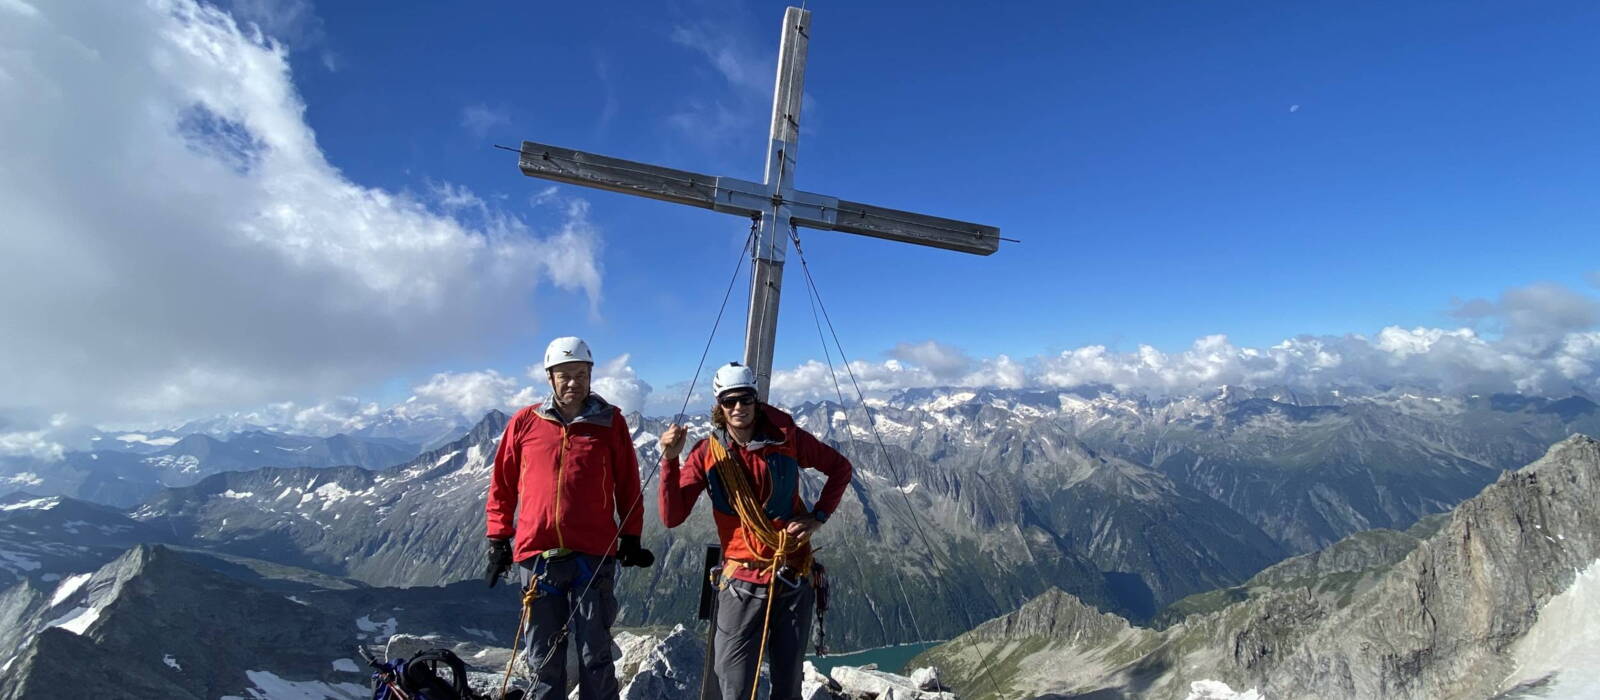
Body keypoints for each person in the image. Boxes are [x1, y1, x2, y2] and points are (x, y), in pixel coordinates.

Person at [657, 362, 853, 700]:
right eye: (729, 401)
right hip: (741, 581)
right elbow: (672, 516)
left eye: (744, 400)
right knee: (733, 683)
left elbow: (840, 468)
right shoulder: (707, 454)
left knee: (788, 682)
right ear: (719, 405)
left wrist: (818, 517)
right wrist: (669, 462)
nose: (738, 408)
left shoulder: (786, 438)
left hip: (790, 575)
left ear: (755, 400)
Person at [484, 336, 655, 700]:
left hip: (593, 554)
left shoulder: (610, 423)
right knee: (542, 655)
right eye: (564, 375)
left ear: (591, 375)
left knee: (596, 652)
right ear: (550, 377)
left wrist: (631, 535)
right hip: (536, 555)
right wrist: (498, 538)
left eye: (580, 373)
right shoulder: (525, 422)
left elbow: (628, 482)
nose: (573, 382)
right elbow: (503, 481)